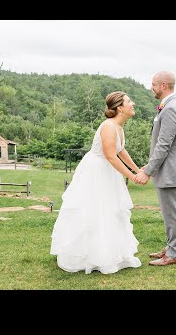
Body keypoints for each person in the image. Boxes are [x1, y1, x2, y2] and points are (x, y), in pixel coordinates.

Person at [50, 91, 144, 274]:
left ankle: (110, 254)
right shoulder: (109, 126)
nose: (133, 104)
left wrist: (138, 169)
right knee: (95, 211)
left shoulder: (119, 127)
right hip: (97, 171)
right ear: (120, 108)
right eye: (129, 101)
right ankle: (89, 256)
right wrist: (132, 177)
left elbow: (121, 151)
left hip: (108, 171)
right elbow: (110, 156)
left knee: (111, 211)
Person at [135, 71, 176, 266]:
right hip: (167, 169)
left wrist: (148, 171)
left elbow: (164, 145)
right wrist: (149, 165)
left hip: (170, 171)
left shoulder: (171, 109)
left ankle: (175, 254)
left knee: (171, 214)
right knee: (168, 213)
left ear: (163, 85)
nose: (152, 87)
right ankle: (170, 247)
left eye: (153, 84)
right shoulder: (170, 106)